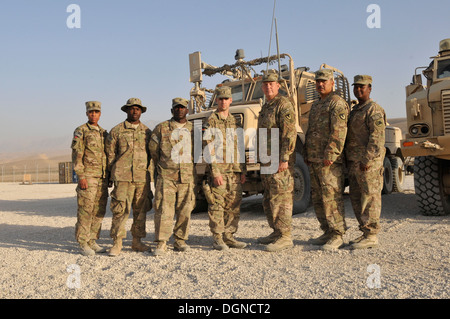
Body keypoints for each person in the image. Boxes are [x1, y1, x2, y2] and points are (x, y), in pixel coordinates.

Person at [304, 69, 349, 251]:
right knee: (318, 198)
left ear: (332, 82)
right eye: (318, 81)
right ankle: (327, 231)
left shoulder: (336, 103)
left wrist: (330, 154)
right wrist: (307, 153)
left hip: (328, 161)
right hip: (314, 159)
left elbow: (339, 131)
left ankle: (337, 234)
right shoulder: (316, 105)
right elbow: (311, 131)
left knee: (331, 196)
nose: (320, 84)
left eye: (324, 81)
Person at [149, 97, 196, 255]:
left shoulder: (193, 129)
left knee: (185, 209)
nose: (179, 110)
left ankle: (180, 240)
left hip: (186, 177)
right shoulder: (161, 128)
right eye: (176, 108)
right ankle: (161, 242)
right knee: (164, 210)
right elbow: (154, 151)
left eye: (182, 108)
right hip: (166, 176)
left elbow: (196, 152)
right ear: (172, 110)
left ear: (187, 110)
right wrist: (165, 165)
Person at [106, 98, 152, 256]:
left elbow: (152, 155)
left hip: (141, 178)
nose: (134, 111)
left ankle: (137, 241)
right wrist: (110, 175)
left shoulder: (147, 132)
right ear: (126, 110)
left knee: (141, 211)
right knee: (120, 210)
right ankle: (117, 243)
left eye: (137, 109)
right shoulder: (116, 131)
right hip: (122, 177)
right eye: (131, 109)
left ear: (141, 111)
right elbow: (110, 155)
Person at [257, 70, 297, 252]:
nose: (268, 86)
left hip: (278, 159)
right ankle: (275, 231)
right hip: (267, 159)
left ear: (278, 86)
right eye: (265, 84)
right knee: (269, 198)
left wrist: (284, 158)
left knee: (281, 196)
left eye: (271, 84)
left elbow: (289, 133)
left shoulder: (283, 104)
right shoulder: (266, 107)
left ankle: (285, 236)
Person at [203, 87, 247, 250]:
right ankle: (217, 238)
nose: (223, 101)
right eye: (220, 98)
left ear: (230, 100)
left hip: (234, 170)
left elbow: (239, 146)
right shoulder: (211, 120)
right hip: (219, 170)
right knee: (217, 204)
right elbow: (208, 147)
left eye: (226, 98)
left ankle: (229, 236)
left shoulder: (235, 121)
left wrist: (243, 170)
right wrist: (215, 172)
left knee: (233, 204)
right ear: (217, 100)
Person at [345, 75, 386, 249]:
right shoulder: (355, 111)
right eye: (356, 87)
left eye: (362, 87)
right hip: (354, 162)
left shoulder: (374, 110)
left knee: (370, 198)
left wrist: (367, 159)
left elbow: (377, 139)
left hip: (367, 163)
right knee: (356, 198)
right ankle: (364, 232)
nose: (358, 90)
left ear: (370, 88)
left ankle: (372, 235)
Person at [72, 101, 109, 256]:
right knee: (85, 211)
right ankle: (82, 242)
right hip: (88, 177)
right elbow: (77, 154)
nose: (94, 114)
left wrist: (109, 176)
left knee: (99, 211)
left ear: (100, 114)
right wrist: (81, 176)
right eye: (91, 112)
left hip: (102, 179)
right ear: (87, 113)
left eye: (96, 112)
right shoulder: (81, 131)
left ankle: (92, 240)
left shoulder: (103, 133)